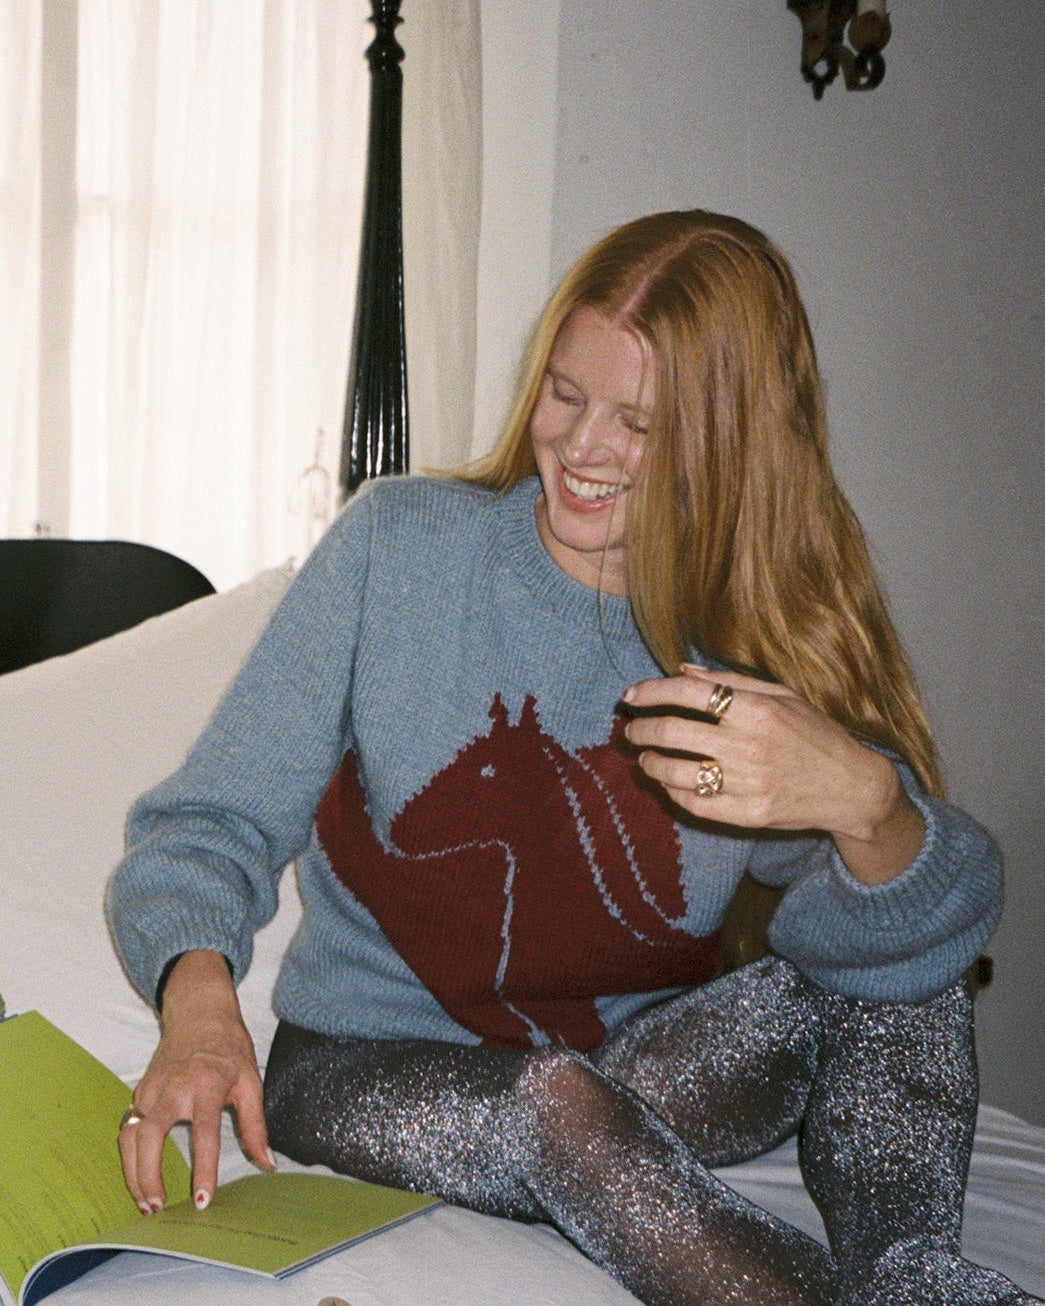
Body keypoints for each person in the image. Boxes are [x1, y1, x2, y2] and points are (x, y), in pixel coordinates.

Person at [107, 210, 1040, 1306]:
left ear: (731, 442)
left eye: (639, 423)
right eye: (565, 393)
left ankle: (911, 1277)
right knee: (556, 1100)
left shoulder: (752, 632)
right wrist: (200, 999)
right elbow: (205, 825)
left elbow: (936, 917)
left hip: (640, 1075)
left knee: (903, 957)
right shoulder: (399, 548)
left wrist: (867, 803)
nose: (582, 450)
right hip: (364, 1070)